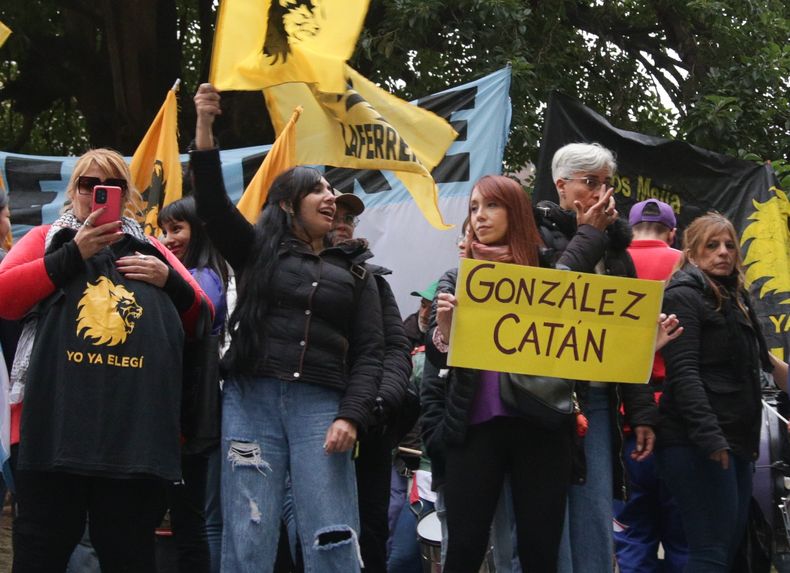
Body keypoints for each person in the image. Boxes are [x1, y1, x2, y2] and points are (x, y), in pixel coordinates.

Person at [190, 83, 384, 572]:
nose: (330, 197)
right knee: (248, 527)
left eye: (331, 191)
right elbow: (211, 205)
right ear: (285, 205)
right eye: (317, 188)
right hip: (248, 404)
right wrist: (205, 124)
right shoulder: (255, 250)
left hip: (321, 410)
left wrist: (352, 416)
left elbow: (371, 352)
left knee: (332, 532)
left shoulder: (357, 273)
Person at [0, 148, 209, 571]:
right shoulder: (44, 240)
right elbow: (5, 297)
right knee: (40, 548)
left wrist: (171, 281)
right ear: (72, 191)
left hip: (131, 430)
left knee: (128, 552)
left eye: (109, 186)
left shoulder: (149, 246)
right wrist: (72, 254)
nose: (97, 193)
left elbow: (201, 315)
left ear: (126, 194)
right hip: (49, 425)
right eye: (87, 185)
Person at [421, 174, 577, 572]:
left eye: (491, 206)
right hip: (473, 427)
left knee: (541, 552)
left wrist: (637, 347)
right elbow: (437, 365)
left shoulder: (551, 273)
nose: (480, 217)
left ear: (516, 211)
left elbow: (580, 344)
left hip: (540, 424)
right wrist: (445, 330)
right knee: (465, 550)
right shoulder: (455, 278)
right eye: (473, 208)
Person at [535, 142, 658, 573]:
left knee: (594, 514)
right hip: (548, 401)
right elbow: (549, 297)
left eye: (607, 183)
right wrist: (587, 236)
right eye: (591, 183)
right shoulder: (536, 235)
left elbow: (631, 337)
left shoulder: (619, 254)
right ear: (562, 186)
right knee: (551, 518)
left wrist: (640, 412)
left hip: (600, 403)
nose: (603, 193)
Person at [656, 212, 784, 572]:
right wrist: (711, 439)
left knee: (726, 549)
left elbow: (768, 364)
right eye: (712, 246)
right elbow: (683, 374)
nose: (723, 252)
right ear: (693, 253)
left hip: (737, 440)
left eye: (729, 245)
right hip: (696, 442)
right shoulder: (683, 295)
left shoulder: (736, 297)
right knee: (710, 550)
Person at [331, 190, 413, 572]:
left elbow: (396, 350)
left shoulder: (375, 282)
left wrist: (378, 404)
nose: (343, 222)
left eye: (349, 217)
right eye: (334, 213)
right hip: (313, 426)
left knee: (371, 534)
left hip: (371, 432)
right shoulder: (291, 275)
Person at [614, 199, 687, 572]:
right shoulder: (687, 265)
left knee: (632, 537)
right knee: (684, 539)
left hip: (626, 422)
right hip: (680, 420)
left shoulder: (610, 265)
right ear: (672, 233)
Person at [158, 196, 230, 573]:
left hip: (187, 419)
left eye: (177, 229)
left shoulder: (206, 278)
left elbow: (197, 309)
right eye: (164, 230)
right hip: (168, 415)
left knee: (190, 522)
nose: (169, 238)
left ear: (199, 230)